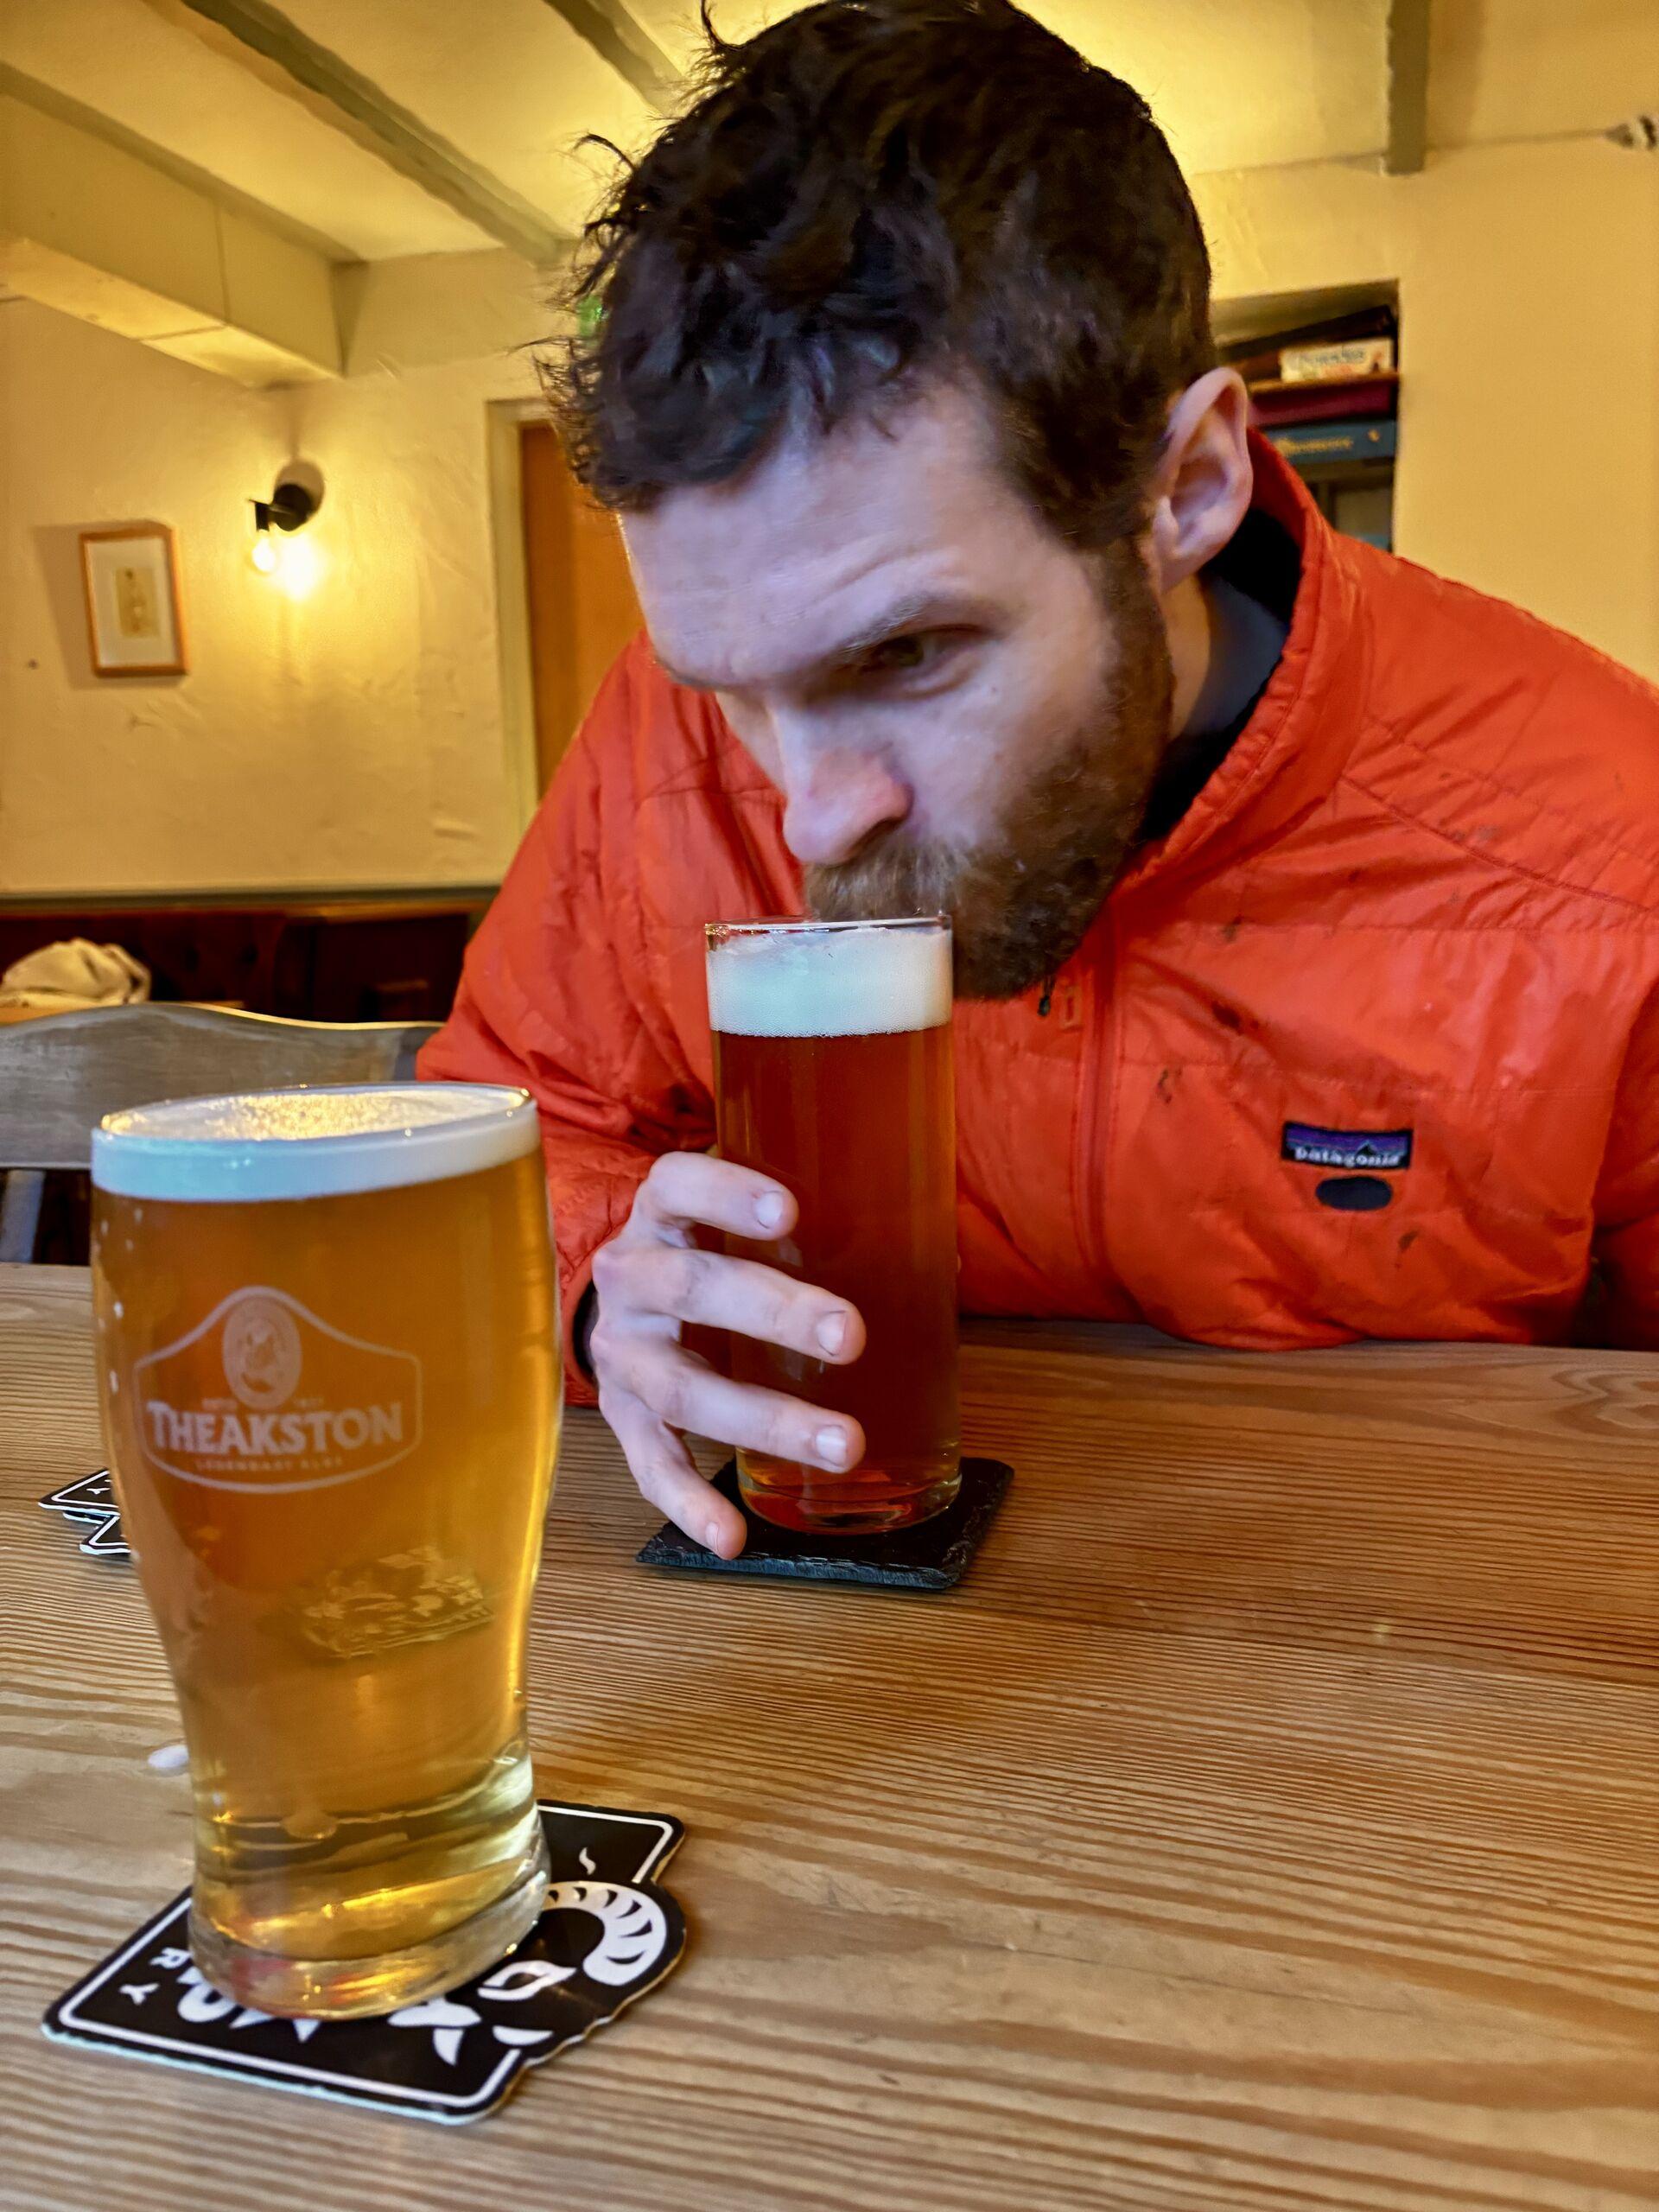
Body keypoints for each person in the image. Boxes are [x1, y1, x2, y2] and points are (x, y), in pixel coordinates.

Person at [423, 0, 1659, 1557]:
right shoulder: (655, 741)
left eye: (909, 654)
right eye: (730, 688)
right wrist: (606, 1273)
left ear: (1187, 489)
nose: (805, 812)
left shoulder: (1612, 839)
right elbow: (492, 1133)